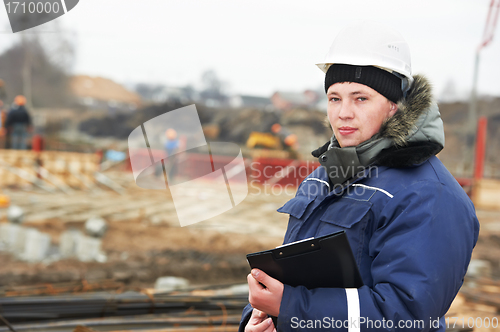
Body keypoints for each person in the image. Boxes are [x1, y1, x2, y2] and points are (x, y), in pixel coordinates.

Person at [240, 21, 479, 332]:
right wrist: (262, 315)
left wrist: (290, 308)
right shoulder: (326, 174)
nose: (343, 113)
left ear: (394, 107)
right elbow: (297, 272)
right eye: (335, 98)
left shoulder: (431, 195)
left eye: (361, 98)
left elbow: (406, 315)